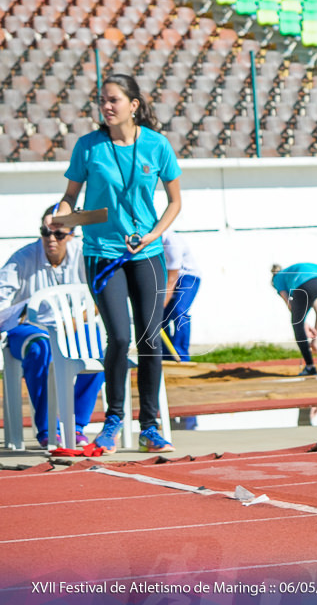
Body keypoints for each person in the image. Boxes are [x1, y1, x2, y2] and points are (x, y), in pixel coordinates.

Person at [54, 73, 182, 455]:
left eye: (113, 100)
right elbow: (69, 198)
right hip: (102, 255)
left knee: (148, 338)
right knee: (121, 337)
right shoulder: (88, 146)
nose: (106, 107)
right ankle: (111, 422)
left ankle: (150, 427)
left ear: (133, 105)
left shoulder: (157, 146)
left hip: (147, 254)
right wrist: (60, 218)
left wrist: (153, 234)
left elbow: (175, 202)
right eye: (102, 101)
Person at [0, 207, 105, 449]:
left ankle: (76, 426)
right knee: (40, 348)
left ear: (72, 235)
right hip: (30, 328)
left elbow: (101, 297)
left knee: (99, 348)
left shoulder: (84, 255)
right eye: (45, 233)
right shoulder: (22, 258)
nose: (51, 239)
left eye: (58, 235)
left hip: (74, 327)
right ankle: (49, 429)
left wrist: (74, 324)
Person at [161, 230, 201, 361]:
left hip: (188, 277)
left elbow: (171, 280)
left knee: (179, 311)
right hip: (169, 278)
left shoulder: (172, 243)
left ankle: (181, 355)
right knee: (160, 318)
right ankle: (166, 356)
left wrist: (160, 306)